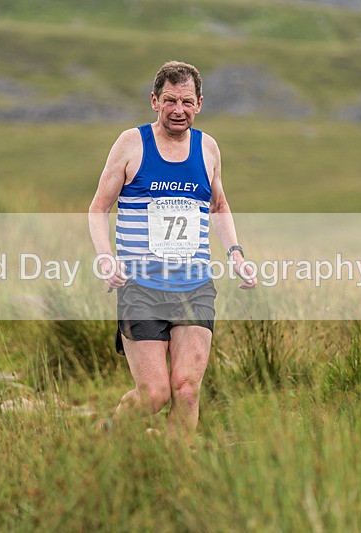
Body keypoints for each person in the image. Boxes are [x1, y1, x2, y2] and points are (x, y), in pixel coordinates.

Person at [88, 60, 258, 436]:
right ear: (154, 101)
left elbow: (218, 205)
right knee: (155, 394)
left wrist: (236, 255)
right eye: (169, 100)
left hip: (195, 287)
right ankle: (112, 429)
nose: (177, 110)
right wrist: (105, 256)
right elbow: (99, 207)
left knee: (187, 389)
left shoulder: (208, 148)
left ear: (199, 103)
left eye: (186, 101)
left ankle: (175, 475)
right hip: (141, 288)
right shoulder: (131, 144)